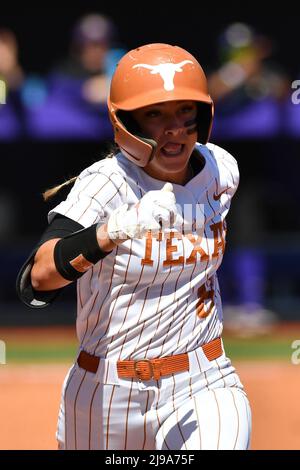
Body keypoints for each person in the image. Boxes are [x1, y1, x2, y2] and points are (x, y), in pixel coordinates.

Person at [16, 43, 251, 450]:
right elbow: (38, 278)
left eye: (184, 111)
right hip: (106, 390)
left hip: (203, 377)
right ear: (126, 122)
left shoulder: (220, 169)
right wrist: (114, 230)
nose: (174, 127)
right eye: (155, 114)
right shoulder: (106, 183)